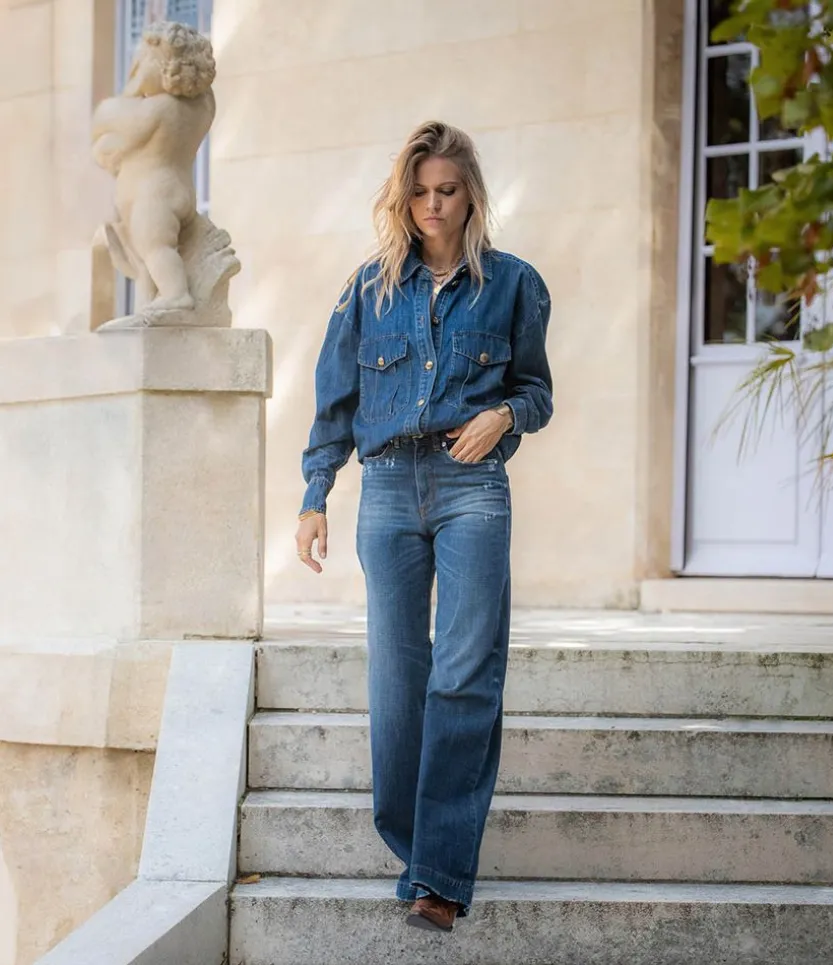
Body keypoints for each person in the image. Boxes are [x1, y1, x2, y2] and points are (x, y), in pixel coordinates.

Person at [295, 120, 553, 933]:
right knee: (398, 680)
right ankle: (417, 851)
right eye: (419, 192)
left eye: (446, 191)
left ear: (471, 195)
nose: (432, 205)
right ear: (402, 198)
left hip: (472, 486)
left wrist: (505, 414)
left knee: (465, 672)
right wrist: (314, 496)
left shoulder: (515, 284)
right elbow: (334, 400)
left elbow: (538, 391)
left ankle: (439, 874)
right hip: (386, 489)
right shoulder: (367, 289)